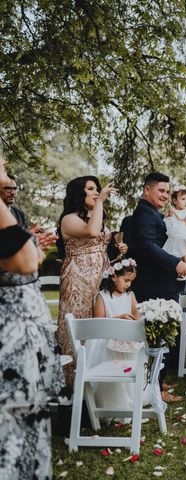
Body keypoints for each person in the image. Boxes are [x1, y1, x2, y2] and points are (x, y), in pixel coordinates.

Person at [0, 156, 65, 480]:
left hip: (21, 320)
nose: (8, 181)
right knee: (13, 425)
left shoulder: (14, 215)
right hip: (9, 330)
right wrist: (30, 244)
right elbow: (28, 260)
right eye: (2, 170)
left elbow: (34, 256)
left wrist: (31, 243)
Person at [55, 176, 126, 386]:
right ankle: (75, 385)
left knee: (102, 323)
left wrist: (120, 249)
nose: (96, 193)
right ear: (79, 193)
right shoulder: (68, 219)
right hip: (78, 279)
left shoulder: (94, 216)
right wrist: (102, 201)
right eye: (91, 189)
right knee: (80, 326)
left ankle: (101, 383)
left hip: (100, 276)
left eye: (98, 189)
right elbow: (92, 232)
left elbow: (101, 242)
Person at [130, 172, 186, 403]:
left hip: (161, 282)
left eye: (168, 191)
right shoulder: (144, 214)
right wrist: (175, 263)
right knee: (158, 335)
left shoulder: (153, 213)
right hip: (154, 284)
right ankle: (156, 388)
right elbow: (147, 246)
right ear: (147, 190)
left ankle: (157, 380)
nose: (166, 195)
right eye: (162, 191)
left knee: (163, 335)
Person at [86, 258, 149, 417]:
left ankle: (130, 400)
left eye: (131, 281)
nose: (129, 284)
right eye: (126, 280)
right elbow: (99, 322)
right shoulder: (102, 297)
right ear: (113, 276)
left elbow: (137, 313)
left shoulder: (130, 295)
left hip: (127, 341)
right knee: (113, 373)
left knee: (130, 367)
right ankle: (111, 403)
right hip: (107, 342)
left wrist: (135, 317)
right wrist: (118, 318)